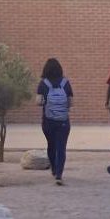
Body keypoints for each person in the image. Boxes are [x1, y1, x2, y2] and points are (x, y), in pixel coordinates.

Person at [36, 57, 72, 185]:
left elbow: (38, 102)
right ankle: (59, 174)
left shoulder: (43, 84)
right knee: (61, 147)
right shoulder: (66, 83)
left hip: (48, 121)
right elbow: (70, 103)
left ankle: (54, 169)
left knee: (51, 145)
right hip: (63, 121)